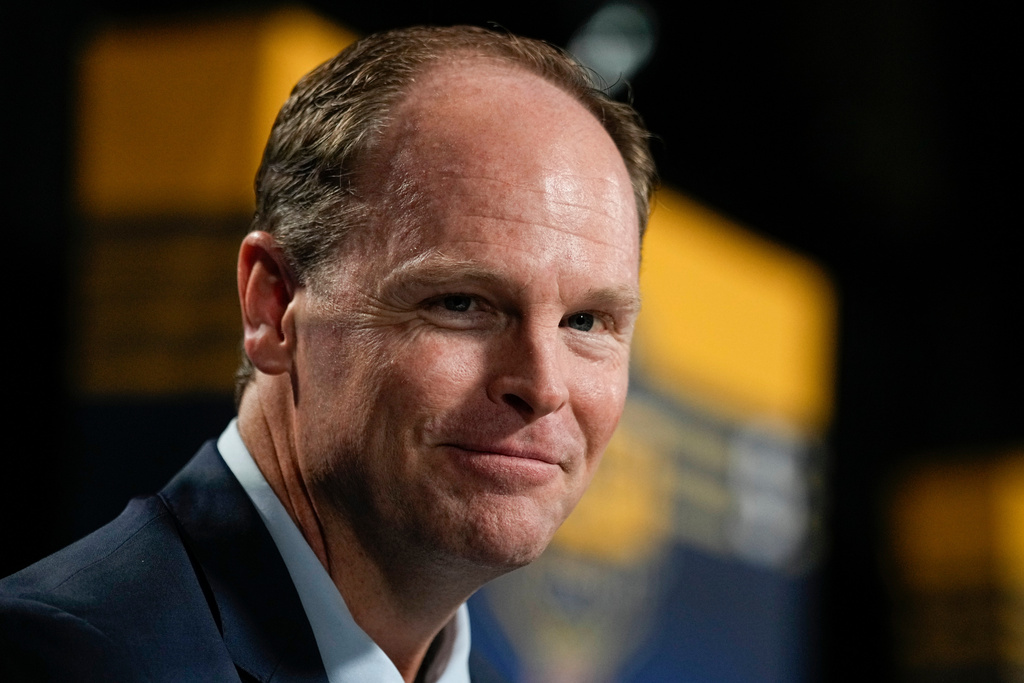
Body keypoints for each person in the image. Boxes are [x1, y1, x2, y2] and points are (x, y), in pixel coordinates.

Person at [0, 24, 655, 683]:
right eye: (461, 302)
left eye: (586, 320)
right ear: (274, 304)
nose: (541, 385)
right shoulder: (63, 659)